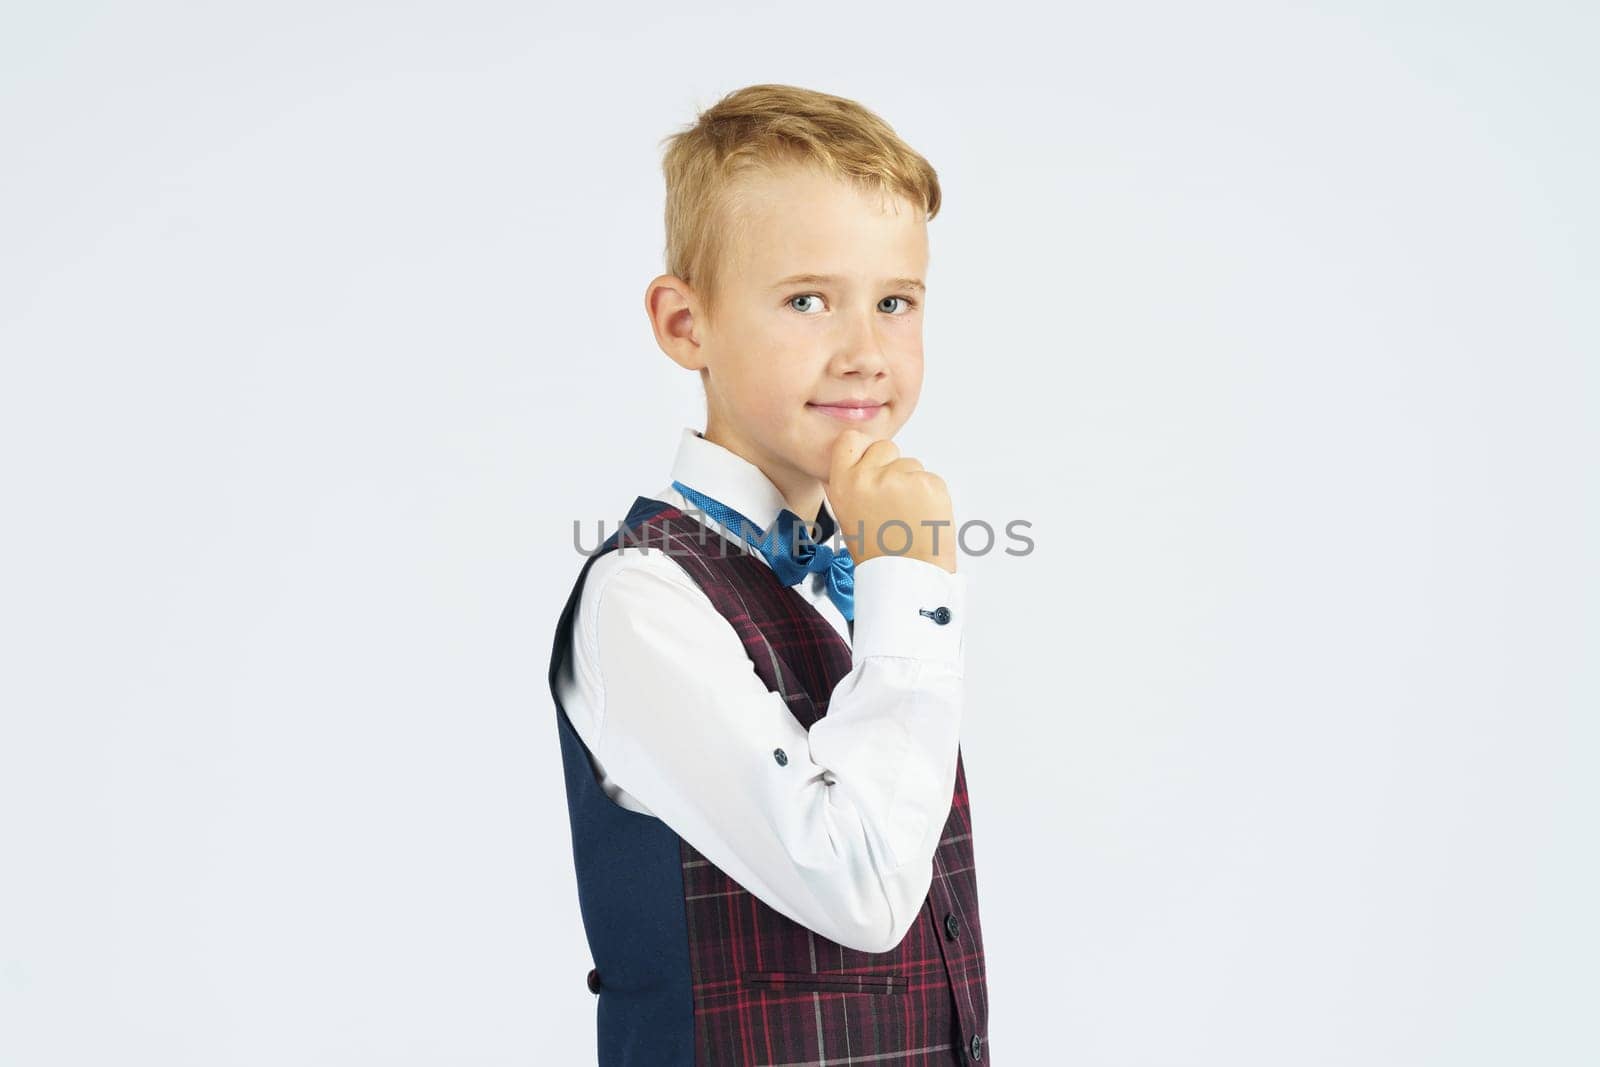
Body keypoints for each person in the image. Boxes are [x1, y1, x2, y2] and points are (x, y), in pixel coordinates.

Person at [548, 83, 991, 1065]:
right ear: (683, 324)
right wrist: (910, 589)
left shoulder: (848, 573)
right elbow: (863, 893)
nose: (865, 352)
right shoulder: (643, 597)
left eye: (893, 302)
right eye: (805, 300)